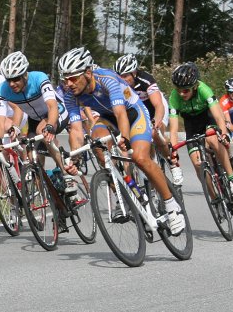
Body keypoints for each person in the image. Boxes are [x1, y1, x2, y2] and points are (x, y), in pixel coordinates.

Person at [57, 47, 185, 234]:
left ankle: (172, 206)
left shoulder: (107, 79)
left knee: (140, 158)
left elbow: (121, 113)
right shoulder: (70, 97)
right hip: (108, 117)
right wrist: (74, 158)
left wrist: (124, 137)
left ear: (88, 73)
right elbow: (76, 131)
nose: (69, 84)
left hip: (133, 113)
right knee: (97, 144)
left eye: (73, 78)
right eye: (65, 79)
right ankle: (125, 193)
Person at [0, 51, 71, 190]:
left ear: (25, 74)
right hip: (35, 119)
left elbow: (52, 106)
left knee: (42, 131)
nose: (12, 84)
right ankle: (47, 195)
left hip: (56, 112)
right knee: (32, 158)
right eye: (8, 80)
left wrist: (50, 125)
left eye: (16, 79)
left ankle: (67, 174)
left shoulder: (39, 78)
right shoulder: (2, 89)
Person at [167, 62, 233, 197]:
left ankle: (232, 180)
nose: (181, 93)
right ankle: (214, 198)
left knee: (212, 139)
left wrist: (224, 134)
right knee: (197, 163)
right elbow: (173, 129)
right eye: (178, 89)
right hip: (191, 124)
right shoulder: (174, 97)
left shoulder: (204, 89)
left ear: (195, 86)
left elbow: (218, 117)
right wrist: (174, 151)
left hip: (208, 118)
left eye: (186, 90)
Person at [114, 53, 182, 185]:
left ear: (134, 72)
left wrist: (155, 122)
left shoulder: (146, 80)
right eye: (119, 76)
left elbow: (158, 106)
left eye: (126, 75)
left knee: (155, 133)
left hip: (154, 108)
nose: (122, 79)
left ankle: (172, 162)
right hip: (138, 112)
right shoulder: (119, 86)